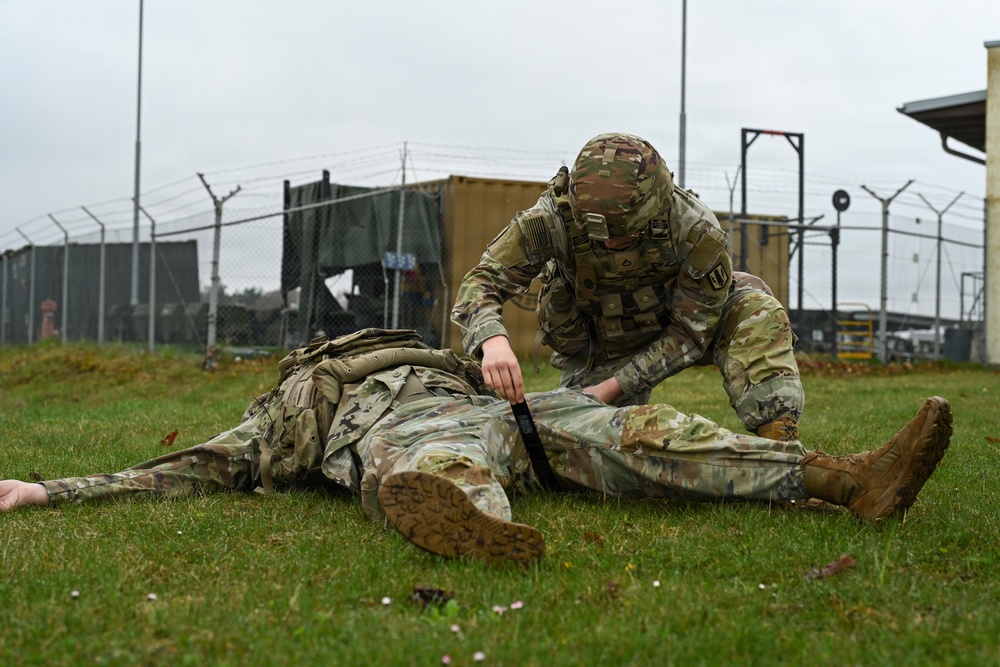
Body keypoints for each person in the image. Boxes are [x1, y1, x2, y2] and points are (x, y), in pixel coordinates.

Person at [0, 328, 952, 565]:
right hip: (409, 432)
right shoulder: (293, 408)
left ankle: (845, 478)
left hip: (514, 410)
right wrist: (51, 491)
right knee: (434, 457)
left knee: (633, 429)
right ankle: (475, 522)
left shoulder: (417, 354)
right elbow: (185, 469)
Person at [451, 132, 804, 441]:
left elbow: (689, 334)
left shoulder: (695, 233)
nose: (607, 244)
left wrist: (610, 389)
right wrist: (493, 342)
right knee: (576, 436)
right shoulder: (553, 218)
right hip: (605, 344)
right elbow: (482, 280)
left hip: (681, 325)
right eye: (594, 233)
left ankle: (779, 445)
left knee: (757, 312)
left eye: (622, 236)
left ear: (656, 210)